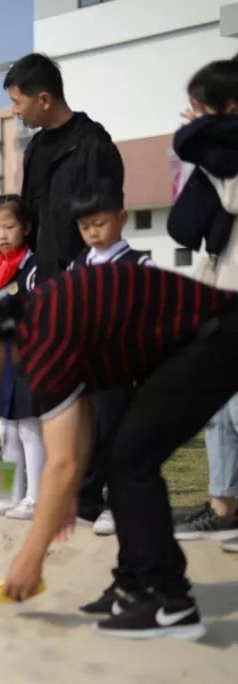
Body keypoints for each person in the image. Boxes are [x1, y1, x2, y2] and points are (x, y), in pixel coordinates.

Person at [0, 265, 238, 640]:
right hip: (194, 342)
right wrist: (66, 494)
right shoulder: (32, 326)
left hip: (214, 337)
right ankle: (134, 582)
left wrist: (31, 557)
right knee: (118, 454)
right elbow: (80, 413)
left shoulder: (43, 338)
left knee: (131, 458)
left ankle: (167, 599)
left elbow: (63, 462)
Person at [169, 58, 238, 546]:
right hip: (218, 284)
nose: (192, 119)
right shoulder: (218, 147)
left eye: (200, 110)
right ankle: (222, 505)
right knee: (217, 404)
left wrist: (208, 145)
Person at [67, 180, 154, 536]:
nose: (93, 233)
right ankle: (84, 503)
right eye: (85, 227)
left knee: (116, 436)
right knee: (84, 436)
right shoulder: (78, 264)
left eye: (99, 224)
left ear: (121, 218)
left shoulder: (139, 263)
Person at [4, 52, 124, 279]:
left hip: (83, 283)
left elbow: (105, 220)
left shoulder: (92, 144)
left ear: (45, 100)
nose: (14, 111)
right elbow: (31, 219)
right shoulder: (34, 148)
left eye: (17, 102)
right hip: (43, 282)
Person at [0, 196, 42, 521]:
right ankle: (6, 495)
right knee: (5, 430)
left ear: (25, 227)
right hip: (2, 360)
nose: (2, 235)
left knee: (30, 429)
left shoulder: (35, 268)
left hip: (28, 359)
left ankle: (35, 497)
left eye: (9, 227)